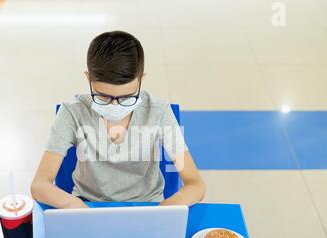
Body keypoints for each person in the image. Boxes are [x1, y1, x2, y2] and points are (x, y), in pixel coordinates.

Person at [31, 30, 206, 208]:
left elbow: (195, 184)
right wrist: (71, 204)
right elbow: (39, 184)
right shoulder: (73, 112)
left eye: (127, 97)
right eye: (103, 97)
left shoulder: (158, 112)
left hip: (147, 205)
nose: (115, 106)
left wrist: (170, 206)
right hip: (88, 204)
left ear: (141, 80)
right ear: (88, 79)